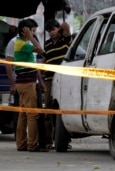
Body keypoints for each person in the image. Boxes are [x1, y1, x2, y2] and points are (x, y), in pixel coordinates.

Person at [13, 19, 44, 152]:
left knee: (23, 114)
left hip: (24, 83)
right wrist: (31, 37)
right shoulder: (22, 44)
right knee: (32, 114)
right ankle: (32, 144)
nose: (33, 34)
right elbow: (40, 49)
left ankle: (21, 144)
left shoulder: (22, 44)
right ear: (24, 31)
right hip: (26, 84)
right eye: (31, 31)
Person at [42, 19, 73, 149]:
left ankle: (64, 140)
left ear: (58, 29)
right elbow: (45, 59)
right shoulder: (47, 44)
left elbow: (66, 26)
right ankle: (49, 141)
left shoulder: (65, 40)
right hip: (49, 79)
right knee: (48, 110)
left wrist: (60, 28)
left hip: (63, 79)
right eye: (49, 31)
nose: (51, 33)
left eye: (53, 30)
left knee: (63, 108)